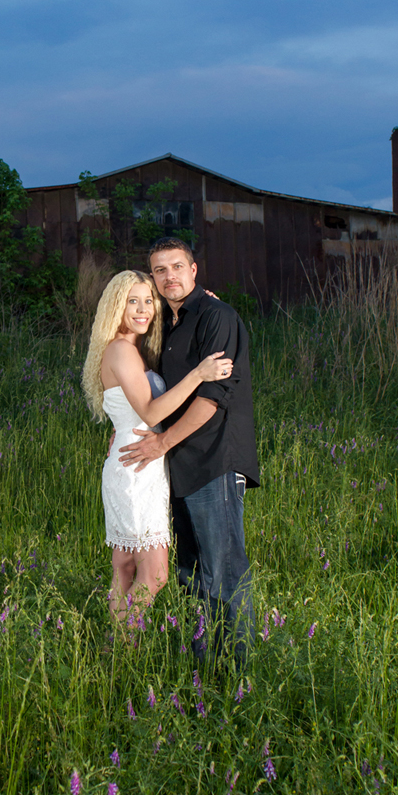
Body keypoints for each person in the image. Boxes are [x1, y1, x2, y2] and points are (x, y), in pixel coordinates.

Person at [119, 238, 260, 665]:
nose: (169, 277)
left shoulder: (217, 316)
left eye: (177, 267)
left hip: (214, 460)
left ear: (194, 270)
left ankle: (237, 673)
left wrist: (160, 442)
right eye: (159, 271)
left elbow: (212, 398)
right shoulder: (170, 323)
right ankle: (206, 665)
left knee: (224, 571)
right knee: (192, 574)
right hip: (178, 466)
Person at [81, 269, 233, 632]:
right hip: (138, 467)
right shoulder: (121, 350)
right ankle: (124, 644)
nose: (142, 309)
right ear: (116, 306)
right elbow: (150, 412)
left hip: (132, 460)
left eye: (148, 301)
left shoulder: (129, 349)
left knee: (126, 566)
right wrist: (199, 374)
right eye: (132, 301)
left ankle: (119, 652)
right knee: (156, 572)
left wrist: (201, 304)